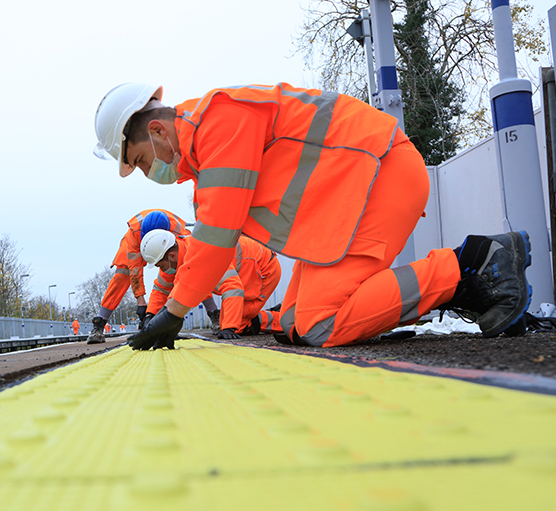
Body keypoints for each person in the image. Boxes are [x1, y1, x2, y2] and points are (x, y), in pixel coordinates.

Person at [93, 82, 532, 350]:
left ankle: (472, 266)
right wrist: (169, 310)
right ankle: (467, 282)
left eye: (142, 162)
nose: (149, 174)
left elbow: (216, 235)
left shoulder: (217, 123)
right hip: (351, 197)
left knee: (321, 323)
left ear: (155, 131)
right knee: (292, 324)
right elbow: (213, 229)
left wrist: (172, 313)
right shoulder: (206, 146)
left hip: (378, 176)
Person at [87, 209, 219, 344]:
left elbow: (193, 269)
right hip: (135, 240)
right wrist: (141, 303)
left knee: (192, 270)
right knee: (122, 274)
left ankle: (214, 314)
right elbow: (135, 269)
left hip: (170, 240)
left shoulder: (177, 231)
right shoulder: (134, 235)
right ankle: (100, 322)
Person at [141, 230, 283, 340]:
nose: (162, 270)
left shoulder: (204, 256)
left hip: (263, 268)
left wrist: (229, 328)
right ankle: (270, 313)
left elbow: (233, 287)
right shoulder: (178, 256)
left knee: (237, 324)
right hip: (247, 270)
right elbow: (161, 289)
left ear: (171, 256)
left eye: (161, 266)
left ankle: (284, 318)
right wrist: (150, 316)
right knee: (231, 319)